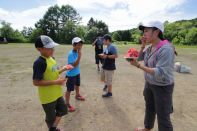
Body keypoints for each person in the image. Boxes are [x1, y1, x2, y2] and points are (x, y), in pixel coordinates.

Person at [130, 21, 175, 131]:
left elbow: (160, 72)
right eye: (143, 31)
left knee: (163, 115)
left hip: (162, 87)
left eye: (146, 31)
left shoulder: (166, 49)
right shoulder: (150, 47)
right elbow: (139, 58)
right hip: (149, 83)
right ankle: (147, 128)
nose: (143, 34)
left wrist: (139, 67)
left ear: (156, 32)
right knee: (150, 108)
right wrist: (142, 46)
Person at [33, 35, 72, 131]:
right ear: (39, 49)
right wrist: (56, 82)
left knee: (63, 110)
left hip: (57, 93)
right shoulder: (39, 63)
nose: (52, 50)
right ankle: (53, 128)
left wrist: (63, 69)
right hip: (48, 97)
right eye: (49, 48)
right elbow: (36, 82)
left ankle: (53, 128)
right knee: (50, 118)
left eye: (52, 47)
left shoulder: (51, 59)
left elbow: (55, 72)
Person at [65, 37, 85, 112]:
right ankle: (67, 104)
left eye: (81, 44)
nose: (80, 46)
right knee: (69, 90)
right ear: (74, 45)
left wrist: (79, 54)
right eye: (78, 44)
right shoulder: (71, 54)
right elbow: (74, 65)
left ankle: (77, 95)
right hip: (71, 75)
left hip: (77, 73)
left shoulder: (77, 51)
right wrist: (79, 56)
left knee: (77, 85)